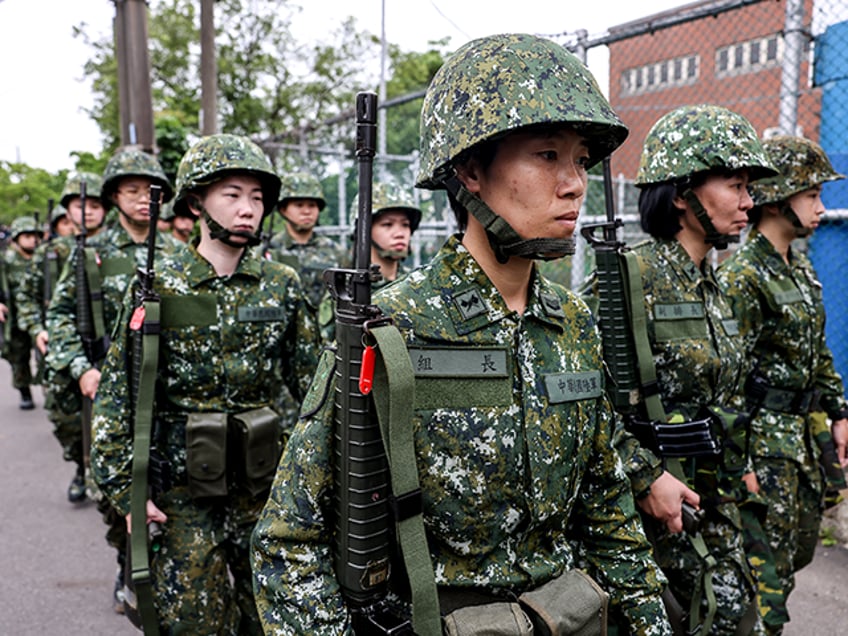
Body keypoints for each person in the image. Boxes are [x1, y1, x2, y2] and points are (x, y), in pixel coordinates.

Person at [252, 33, 671, 636]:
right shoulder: (394, 326)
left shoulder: (572, 323)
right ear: (471, 170)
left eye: (580, 159)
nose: (575, 183)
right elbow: (289, 539)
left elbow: (608, 505)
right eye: (548, 155)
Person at [91, 133, 319, 634]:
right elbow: (118, 395)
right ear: (196, 202)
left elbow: (313, 388)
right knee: (193, 623)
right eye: (232, 195)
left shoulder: (280, 283)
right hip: (182, 494)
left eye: (258, 198)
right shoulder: (158, 284)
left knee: (274, 620)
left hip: (263, 488)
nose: (248, 209)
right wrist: (125, 491)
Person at [600, 104, 777, 635]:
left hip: (715, 500)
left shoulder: (714, 284)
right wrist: (644, 475)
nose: (749, 201)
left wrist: (741, 465)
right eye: (735, 184)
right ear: (681, 195)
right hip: (654, 511)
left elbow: (726, 395)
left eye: (749, 187)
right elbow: (593, 408)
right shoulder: (632, 282)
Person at [717, 135, 848, 634]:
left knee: (794, 555)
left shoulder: (801, 265)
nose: (821, 207)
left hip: (802, 438)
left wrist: (838, 411)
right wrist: (740, 460)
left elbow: (818, 351)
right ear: (778, 197)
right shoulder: (745, 277)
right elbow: (727, 374)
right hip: (764, 443)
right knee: (762, 579)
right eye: (811, 195)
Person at [46, 148, 180, 613]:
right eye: (132, 191)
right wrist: (83, 369)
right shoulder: (92, 255)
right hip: (108, 390)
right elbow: (61, 316)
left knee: (162, 489)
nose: (144, 199)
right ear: (114, 197)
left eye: (152, 191)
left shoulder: (181, 255)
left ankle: (151, 574)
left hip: (165, 396)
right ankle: (128, 561)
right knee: (114, 493)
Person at [35, 173, 107, 502]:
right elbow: (35, 297)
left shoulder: (114, 247)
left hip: (107, 347)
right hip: (67, 346)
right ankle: (82, 465)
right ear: (67, 211)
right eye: (81, 205)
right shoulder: (52, 251)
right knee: (69, 421)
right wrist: (38, 328)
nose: (88, 212)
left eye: (95, 205)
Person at [318, 181, 422, 342]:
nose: (400, 233)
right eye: (387, 224)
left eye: (405, 225)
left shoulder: (417, 284)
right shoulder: (345, 292)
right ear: (364, 232)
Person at [266, 171, 349, 311]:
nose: (306, 211)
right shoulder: (269, 251)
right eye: (299, 205)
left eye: (312, 205)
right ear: (283, 209)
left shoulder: (336, 251)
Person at [1, 215, 42, 409]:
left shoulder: (44, 258)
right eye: (26, 235)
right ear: (16, 238)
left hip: (40, 317)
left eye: (35, 235)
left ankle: (52, 393)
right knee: (19, 357)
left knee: (48, 355)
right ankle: (24, 391)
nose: (32, 239)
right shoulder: (6, 261)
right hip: (15, 319)